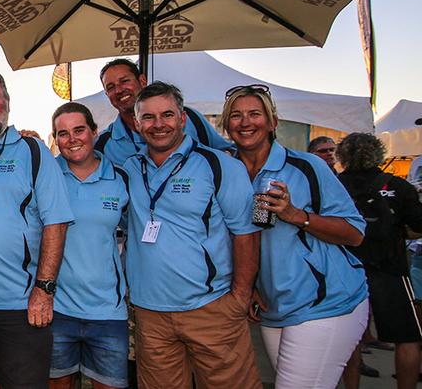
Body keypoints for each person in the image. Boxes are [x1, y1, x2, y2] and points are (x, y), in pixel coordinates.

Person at [221, 85, 368, 389]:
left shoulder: (306, 166)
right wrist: (249, 284)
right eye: (236, 116)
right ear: (226, 125)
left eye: (254, 114)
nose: (245, 122)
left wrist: (297, 215)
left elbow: (354, 233)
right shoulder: (226, 171)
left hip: (325, 302)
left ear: (273, 122)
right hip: (274, 306)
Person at [122, 81, 261, 389]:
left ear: (182, 119)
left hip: (210, 308)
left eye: (167, 115)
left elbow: (246, 234)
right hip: (150, 314)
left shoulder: (219, 165)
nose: (158, 124)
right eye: (148, 117)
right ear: (136, 123)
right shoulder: (129, 169)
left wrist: (239, 298)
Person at [0, 68, 72, 388]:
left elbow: (56, 223)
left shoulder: (33, 153)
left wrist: (44, 290)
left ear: (7, 103)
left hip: (21, 305)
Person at [49, 102, 130, 389]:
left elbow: (140, 232)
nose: (72, 139)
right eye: (63, 133)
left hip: (108, 311)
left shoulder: (120, 178)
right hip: (55, 309)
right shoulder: (45, 175)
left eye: (79, 130)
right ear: (55, 139)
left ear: (95, 132)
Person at [337, 132, 422, 389]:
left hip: (346, 268)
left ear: (343, 155)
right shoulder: (398, 186)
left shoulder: (334, 184)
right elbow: (418, 225)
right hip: (391, 269)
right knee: (407, 337)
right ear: (379, 153)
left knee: (349, 340)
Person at [95, 58, 230, 167]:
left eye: (124, 81)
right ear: (107, 94)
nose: (118, 90)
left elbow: (226, 152)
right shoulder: (104, 143)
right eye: (111, 87)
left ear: (142, 81)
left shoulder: (190, 118)